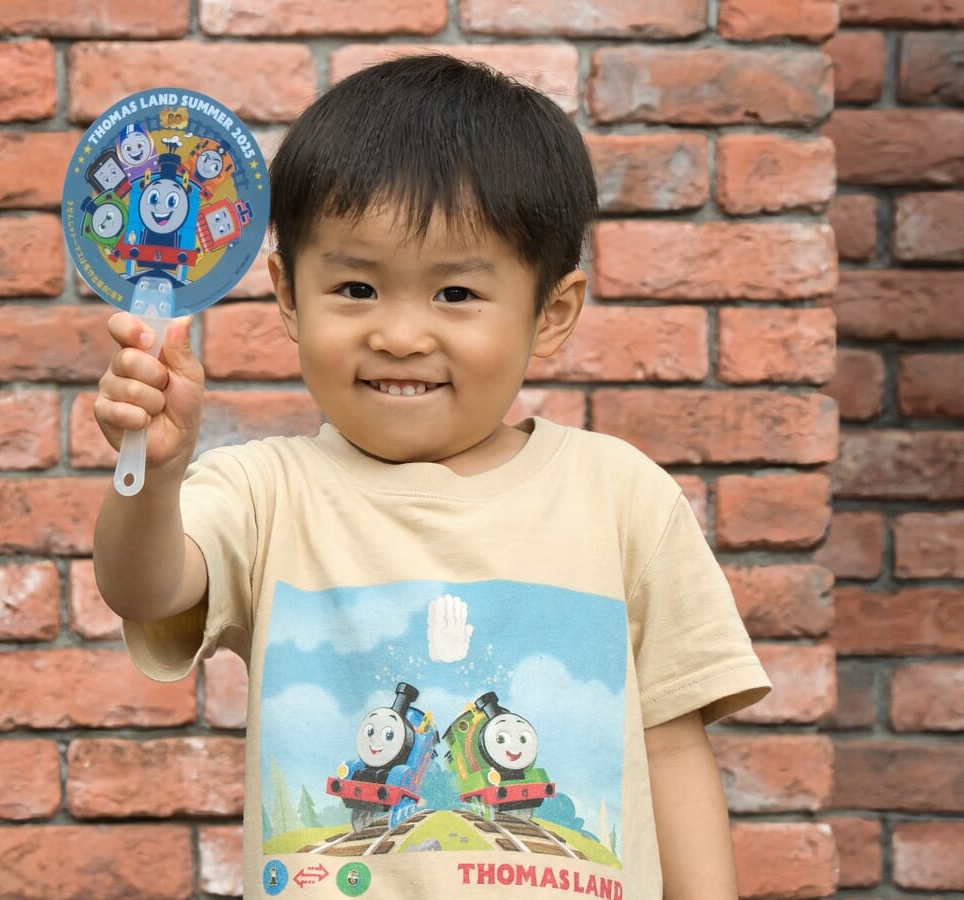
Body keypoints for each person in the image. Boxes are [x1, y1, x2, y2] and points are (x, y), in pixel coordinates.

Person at [93, 54, 771, 900]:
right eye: (356, 287)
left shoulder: (624, 498)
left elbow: (670, 747)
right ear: (288, 295)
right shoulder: (265, 492)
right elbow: (145, 587)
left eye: (455, 293)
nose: (402, 335)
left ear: (552, 312)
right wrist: (155, 477)